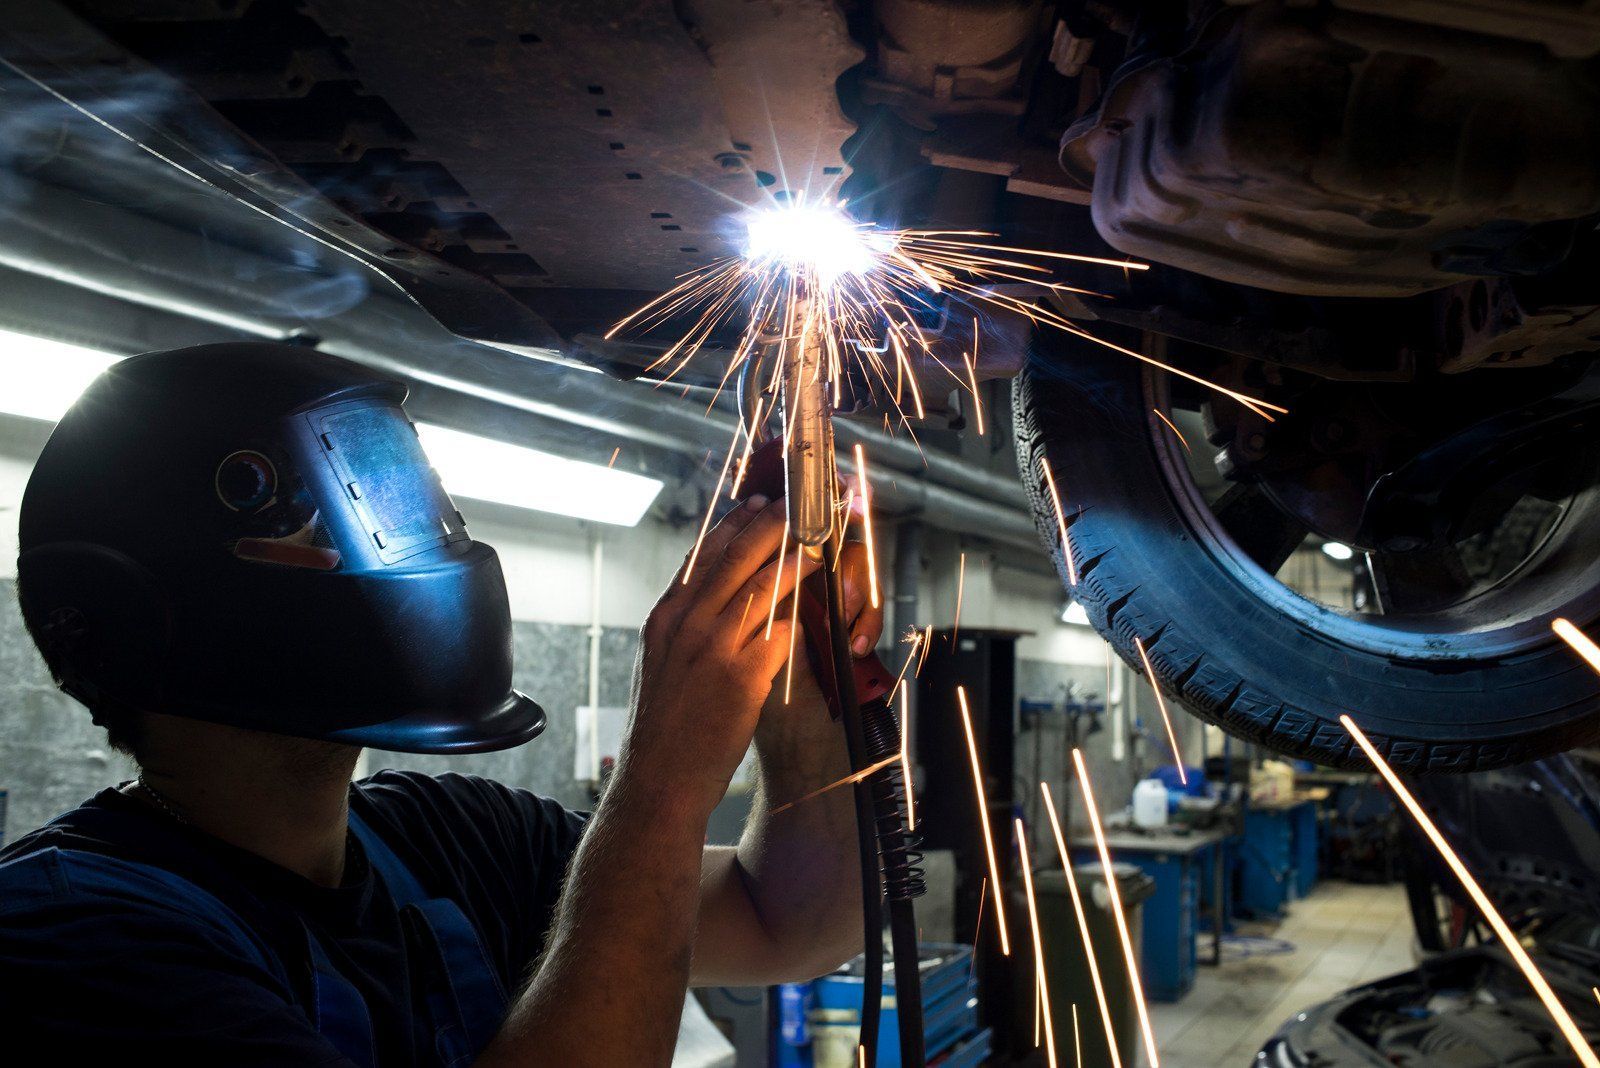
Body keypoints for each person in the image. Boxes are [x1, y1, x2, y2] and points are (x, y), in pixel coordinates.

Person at [0, 342, 881, 1065]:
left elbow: (791, 924)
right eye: (318, 520)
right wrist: (668, 772)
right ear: (170, 592)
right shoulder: (69, 937)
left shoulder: (450, 841)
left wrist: (798, 706)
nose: (406, 541)